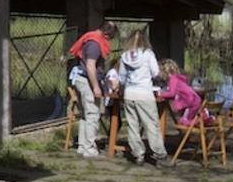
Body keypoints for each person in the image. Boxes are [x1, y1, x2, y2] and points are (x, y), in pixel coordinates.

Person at [66, 20, 118, 158]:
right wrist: (96, 87)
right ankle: (90, 148)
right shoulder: (95, 44)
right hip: (86, 81)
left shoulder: (90, 38)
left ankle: (83, 146)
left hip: (80, 79)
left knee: (85, 114)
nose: (109, 42)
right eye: (110, 38)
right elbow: (90, 66)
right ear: (106, 35)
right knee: (93, 114)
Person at [118, 30, 167, 165]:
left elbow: (121, 78)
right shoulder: (148, 54)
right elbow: (155, 72)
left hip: (129, 94)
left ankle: (138, 154)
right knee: (151, 125)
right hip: (144, 94)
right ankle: (159, 153)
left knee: (133, 126)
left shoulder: (124, 56)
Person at [157, 60, 213, 127]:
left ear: (165, 72)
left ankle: (203, 119)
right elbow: (176, 93)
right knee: (187, 118)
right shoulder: (177, 78)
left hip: (191, 102)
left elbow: (172, 93)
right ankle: (203, 117)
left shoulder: (173, 79)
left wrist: (160, 94)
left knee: (183, 121)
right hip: (194, 100)